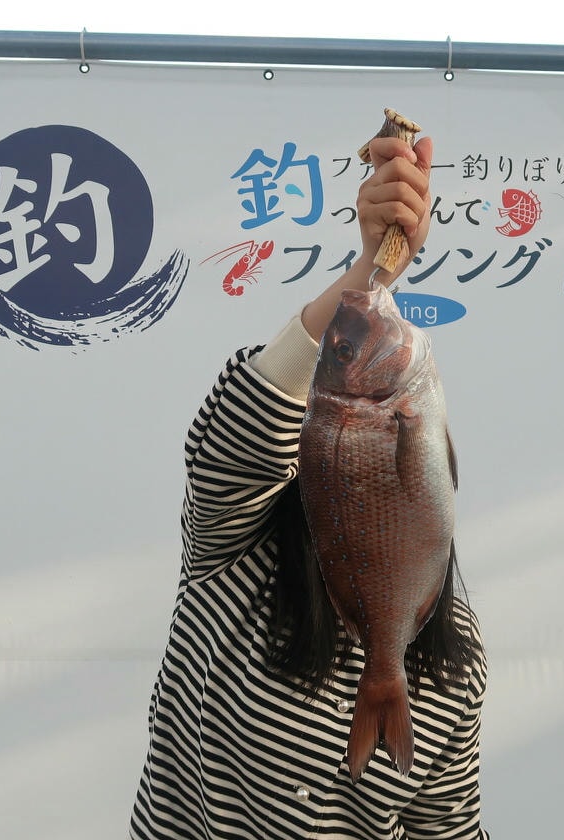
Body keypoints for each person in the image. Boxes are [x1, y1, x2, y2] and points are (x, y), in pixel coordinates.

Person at [129, 133, 488, 839]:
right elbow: (245, 421)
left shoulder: (453, 655)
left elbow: (446, 827)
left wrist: (379, 283)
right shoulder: (232, 557)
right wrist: (369, 273)